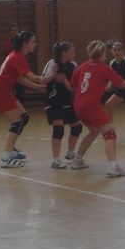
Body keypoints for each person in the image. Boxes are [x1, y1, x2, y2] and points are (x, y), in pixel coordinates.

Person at [69, 40, 125, 177]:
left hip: (78, 105)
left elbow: (71, 86)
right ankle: (113, 166)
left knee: (94, 131)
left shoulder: (82, 67)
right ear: (102, 53)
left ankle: (77, 160)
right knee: (110, 134)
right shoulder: (104, 68)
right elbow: (123, 83)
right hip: (91, 106)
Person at [0, 30, 56, 168]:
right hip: (0, 92)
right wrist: (52, 76)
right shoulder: (17, 57)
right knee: (16, 123)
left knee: (23, 117)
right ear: (25, 44)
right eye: (33, 42)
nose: (35, 44)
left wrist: (37, 87)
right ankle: (5, 158)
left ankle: (11, 149)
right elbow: (35, 78)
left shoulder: (16, 56)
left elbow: (19, 78)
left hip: (4, 90)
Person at [41, 41, 82, 169]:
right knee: (58, 129)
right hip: (53, 101)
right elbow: (42, 80)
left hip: (67, 101)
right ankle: (56, 160)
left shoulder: (73, 65)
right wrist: (53, 75)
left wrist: (64, 80)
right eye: (72, 52)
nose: (74, 54)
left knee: (77, 127)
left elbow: (73, 85)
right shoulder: (52, 63)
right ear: (64, 53)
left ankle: (70, 153)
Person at [2, 23, 27, 105]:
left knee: (20, 91)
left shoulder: (22, 44)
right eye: (12, 30)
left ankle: (21, 108)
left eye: (16, 30)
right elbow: (5, 58)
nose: (15, 32)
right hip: (11, 72)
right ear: (9, 32)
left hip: (19, 70)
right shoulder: (7, 44)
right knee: (11, 90)